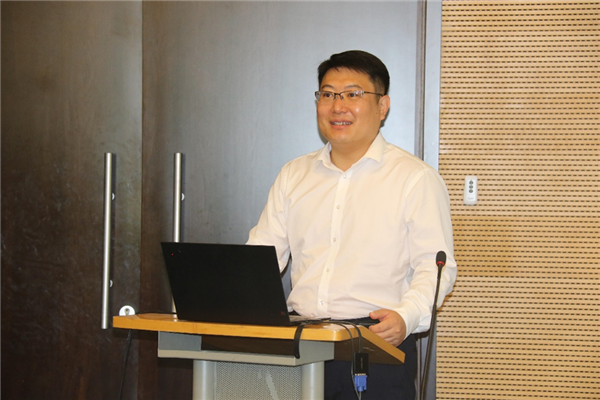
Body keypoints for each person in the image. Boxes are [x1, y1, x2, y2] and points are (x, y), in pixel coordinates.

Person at [247, 50, 457, 400]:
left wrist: (405, 317)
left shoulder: (415, 178)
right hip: (301, 342)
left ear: (382, 105)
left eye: (352, 94)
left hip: (377, 343)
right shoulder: (293, 175)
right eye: (328, 94)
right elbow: (262, 255)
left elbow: (435, 268)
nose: (337, 106)